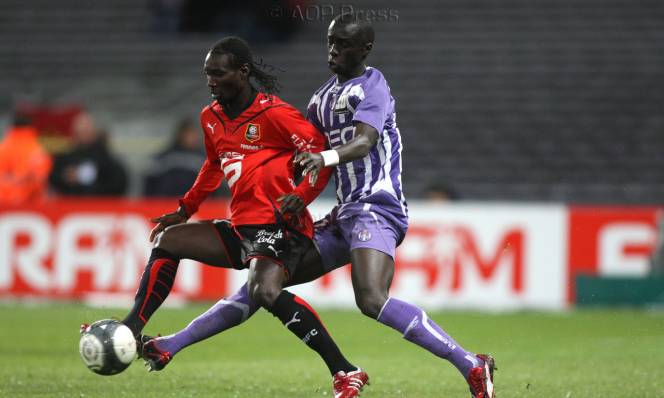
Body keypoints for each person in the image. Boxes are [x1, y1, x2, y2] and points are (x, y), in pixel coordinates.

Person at [145, 13, 496, 398]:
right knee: (264, 285)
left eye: (343, 44)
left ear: (365, 49)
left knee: (371, 298)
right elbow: (304, 153)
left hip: (377, 207)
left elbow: (362, 142)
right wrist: (291, 189)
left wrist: (324, 159)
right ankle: (170, 345)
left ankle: (470, 364)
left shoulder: (373, 85)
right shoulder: (321, 100)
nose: (333, 50)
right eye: (330, 42)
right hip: (344, 215)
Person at [105, 36, 368, 398]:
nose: (211, 81)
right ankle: (132, 327)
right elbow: (213, 166)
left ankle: (344, 370)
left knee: (265, 291)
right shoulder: (210, 116)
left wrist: (301, 195)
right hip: (242, 225)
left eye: (218, 73)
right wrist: (185, 208)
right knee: (169, 240)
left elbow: (320, 158)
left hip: (279, 225)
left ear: (242, 73)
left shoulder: (275, 113)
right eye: (207, 74)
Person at [49, 112, 128, 196]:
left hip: (98, 204)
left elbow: (118, 183)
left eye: (87, 130)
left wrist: (96, 186)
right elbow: (53, 177)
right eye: (81, 131)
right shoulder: (65, 158)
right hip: (71, 203)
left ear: (94, 132)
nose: (84, 134)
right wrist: (65, 177)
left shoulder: (105, 158)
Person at [143, 116, 212, 197]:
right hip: (165, 204)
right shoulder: (164, 157)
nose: (193, 137)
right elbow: (150, 181)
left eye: (195, 134)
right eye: (189, 134)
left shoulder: (204, 159)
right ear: (180, 134)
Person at [0, 112, 52, 204]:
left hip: (4, 205)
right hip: (32, 206)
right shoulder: (37, 150)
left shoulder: (2, 148)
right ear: (30, 127)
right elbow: (40, 178)